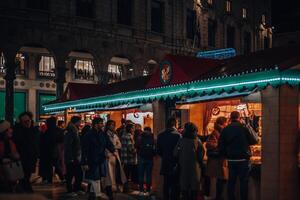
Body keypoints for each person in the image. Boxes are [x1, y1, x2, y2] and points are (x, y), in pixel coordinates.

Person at [219, 111, 258, 200]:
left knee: (231, 182)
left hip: (231, 160)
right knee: (244, 183)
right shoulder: (244, 127)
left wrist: (226, 155)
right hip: (243, 160)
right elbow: (255, 140)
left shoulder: (225, 129)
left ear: (230, 118)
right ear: (239, 118)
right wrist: (248, 126)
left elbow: (221, 145)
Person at [82, 118, 116, 200]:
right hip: (91, 160)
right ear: (96, 124)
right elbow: (85, 149)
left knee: (98, 177)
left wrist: (113, 150)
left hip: (101, 159)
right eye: (101, 123)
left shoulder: (103, 134)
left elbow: (108, 143)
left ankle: (92, 194)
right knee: (95, 177)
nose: (102, 125)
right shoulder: (88, 135)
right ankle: (98, 195)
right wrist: (85, 162)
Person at [174, 122, 204, 200]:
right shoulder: (197, 141)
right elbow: (201, 155)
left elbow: (175, 153)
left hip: (183, 167)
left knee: (184, 189)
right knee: (194, 189)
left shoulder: (181, 141)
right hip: (195, 167)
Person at [13, 111, 38, 193]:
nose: (28, 123)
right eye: (25, 121)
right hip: (23, 158)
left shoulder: (33, 130)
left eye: (29, 121)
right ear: (21, 122)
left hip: (31, 157)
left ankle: (24, 190)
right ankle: (28, 191)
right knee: (24, 177)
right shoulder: (18, 131)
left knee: (26, 176)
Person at [157, 117, 181, 200]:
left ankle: (166, 197)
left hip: (165, 161)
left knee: (166, 183)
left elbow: (158, 151)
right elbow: (180, 151)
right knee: (175, 183)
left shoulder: (160, 135)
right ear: (174, 124)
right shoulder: (178, 135)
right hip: (175, 163)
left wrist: (164, 155)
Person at [206, 117, 228, 200]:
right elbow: (209, 145)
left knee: (222, 179)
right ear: (223, 123)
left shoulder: (220, 132)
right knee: (220, 179)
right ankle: (217, 197)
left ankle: (218, 196)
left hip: (219, 160)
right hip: (217, 160)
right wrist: (220, 146)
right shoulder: (216, 132)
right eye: (226, 123)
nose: (226, 124)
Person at [103, 120, 127, 199]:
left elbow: (119, 145)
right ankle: (109, 189)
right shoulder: (105, 135)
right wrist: (113, 148)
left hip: (115, 156)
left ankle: (114, 188)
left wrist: (114, 147)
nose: (113, 126)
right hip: (108, 156)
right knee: (109, 174)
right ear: (108, 126)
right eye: (111, 125)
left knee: (115, 173)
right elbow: (105, 146)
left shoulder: (115, 135)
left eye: (114, 125)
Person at [64, 116, 83, 197]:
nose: (80, 123)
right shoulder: (71, 130)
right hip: (72, 157)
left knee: (78, 174)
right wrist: (70, 157)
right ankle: (70, 190)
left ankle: (77, 189)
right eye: (80, 122)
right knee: (70, 174)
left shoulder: (74, 130)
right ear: (76, 122)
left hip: (76, 156)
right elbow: (68, 145)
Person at [0, 120, 20, 193]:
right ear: (4, 131)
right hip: (3, 175)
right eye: (9, 129)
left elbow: (15, 154)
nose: (11, 130)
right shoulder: (5, 143)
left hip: (10, 174)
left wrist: (16, 156)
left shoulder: (10, 142)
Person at [136, 127, 156, 195]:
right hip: (150, 158)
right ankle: (148, 190)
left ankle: (141, 190)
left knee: (141, 175)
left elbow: (136, 146)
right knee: (149, 175)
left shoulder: (140, 137)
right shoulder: (153, 137)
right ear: (150, 131)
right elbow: (155, 148)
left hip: (141, 158)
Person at [39, 117, 57, 184]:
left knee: (46, 165)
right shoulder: (55, 131)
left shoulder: (47, 132)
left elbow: (44, 142)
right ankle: (49, 179)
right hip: (52, 151)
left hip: (46, 151)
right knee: (50, 165)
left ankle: (45, 178)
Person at [120, 123, 137, 191]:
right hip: (129, 158)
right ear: (130, 129)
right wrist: (136, 150)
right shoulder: (129, 136)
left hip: (124, 158)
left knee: (126, 174)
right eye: (133, 128)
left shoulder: (123, 135)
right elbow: (131, 148)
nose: (134, 129)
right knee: (128, 174)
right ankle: (127, 188)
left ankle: (126, 187)